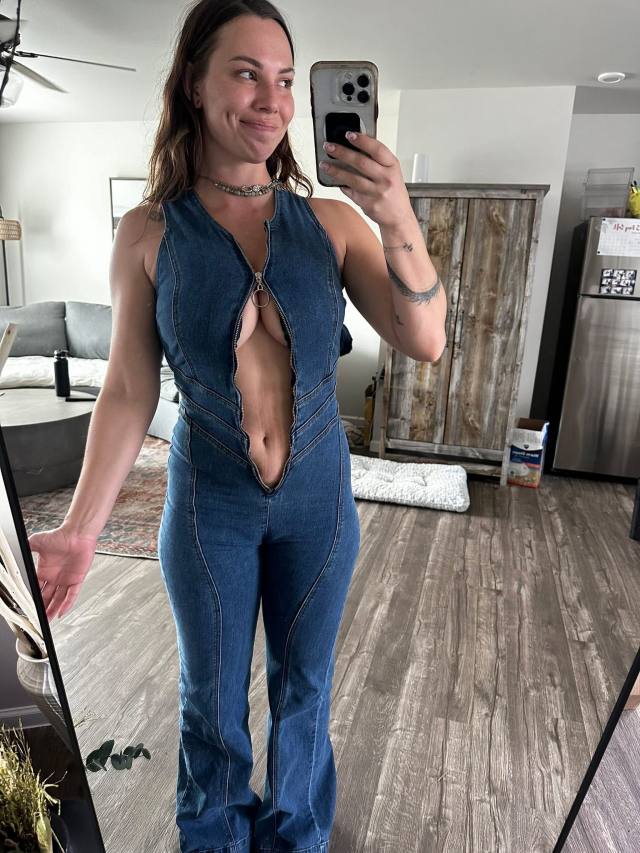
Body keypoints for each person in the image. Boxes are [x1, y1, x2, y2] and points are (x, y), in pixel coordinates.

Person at [27, 1, 446, 851]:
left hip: (319, 499)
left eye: (285, 80)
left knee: (305, 690)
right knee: (210, 698)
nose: (273, 100)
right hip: (206, 498)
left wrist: (396, 213)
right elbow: (128, 388)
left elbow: (425, 338)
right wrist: (80, 528)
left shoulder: (331, 223)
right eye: (246, 73)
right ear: (193, 82)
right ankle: (213, 837)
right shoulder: (147, 232)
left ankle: (297, 836)